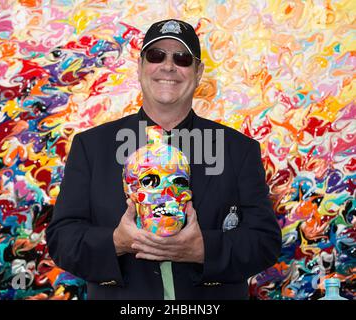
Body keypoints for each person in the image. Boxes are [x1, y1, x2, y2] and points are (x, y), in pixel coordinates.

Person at [46, 19, 282, 300]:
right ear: (140, 67)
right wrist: (116, 242)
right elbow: (62, 239)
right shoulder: (92, 147)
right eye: (156, 56)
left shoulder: (238, 150)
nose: (168, 66)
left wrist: (204, 249)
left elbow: (265, 241)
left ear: (198, 72)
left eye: (181, 59)